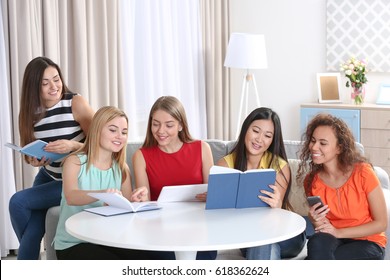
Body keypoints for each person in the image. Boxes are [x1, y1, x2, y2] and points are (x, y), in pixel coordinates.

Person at [8, 56, 94, 260]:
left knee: (18, 202)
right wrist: (35, 160)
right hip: (48, 174)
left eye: (56, 79)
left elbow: (100, 145)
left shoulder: (75, 103)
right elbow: (29, 153)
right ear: (33, 87)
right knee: (33, 230)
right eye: (45, 83)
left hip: (74, 178)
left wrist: (74, 145)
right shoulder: (29, 113)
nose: (54, 87)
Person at [54, 106, 150, 260]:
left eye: (124, 132)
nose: (119, 136)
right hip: (73, 243)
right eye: (113, 130)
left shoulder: (122, 169)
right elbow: (71, 196)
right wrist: (103, 195)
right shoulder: (74, 161)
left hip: (109, 240)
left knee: (152, 259)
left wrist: (137, 201)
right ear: (97, 130)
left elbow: (126, 210)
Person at [132, 95, 216, 259]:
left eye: (168, 125)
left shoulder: (202, 149)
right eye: (155, 124)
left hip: (198, 229)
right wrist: (140, 198)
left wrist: (212, 196)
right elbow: (146, 204)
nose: (160, 131)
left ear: (180, 126)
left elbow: (213, 195)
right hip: (160, 232)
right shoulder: (141, 156)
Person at [217, 107, 306, 259]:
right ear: (246, 129)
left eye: (267, 135)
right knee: (263, 241)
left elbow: (276, 217)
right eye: (256, 131)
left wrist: (277, 206)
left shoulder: (280, 166)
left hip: (285, 233)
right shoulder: (224, 166)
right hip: (248, 235)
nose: (259, 139)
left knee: (265, 236)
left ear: (272, 140)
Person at [297, 113, 387, 260]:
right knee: (316, 242)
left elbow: (381, 223)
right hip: (333, 238)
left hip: (368, 241)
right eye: (313, 141)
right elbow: (323, 227)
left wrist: (338, 232)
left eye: (323, 143)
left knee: (327, 259)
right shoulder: (311, 181)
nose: (314, 147)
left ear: (339, 148)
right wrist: (315, 220)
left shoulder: (363, 173)